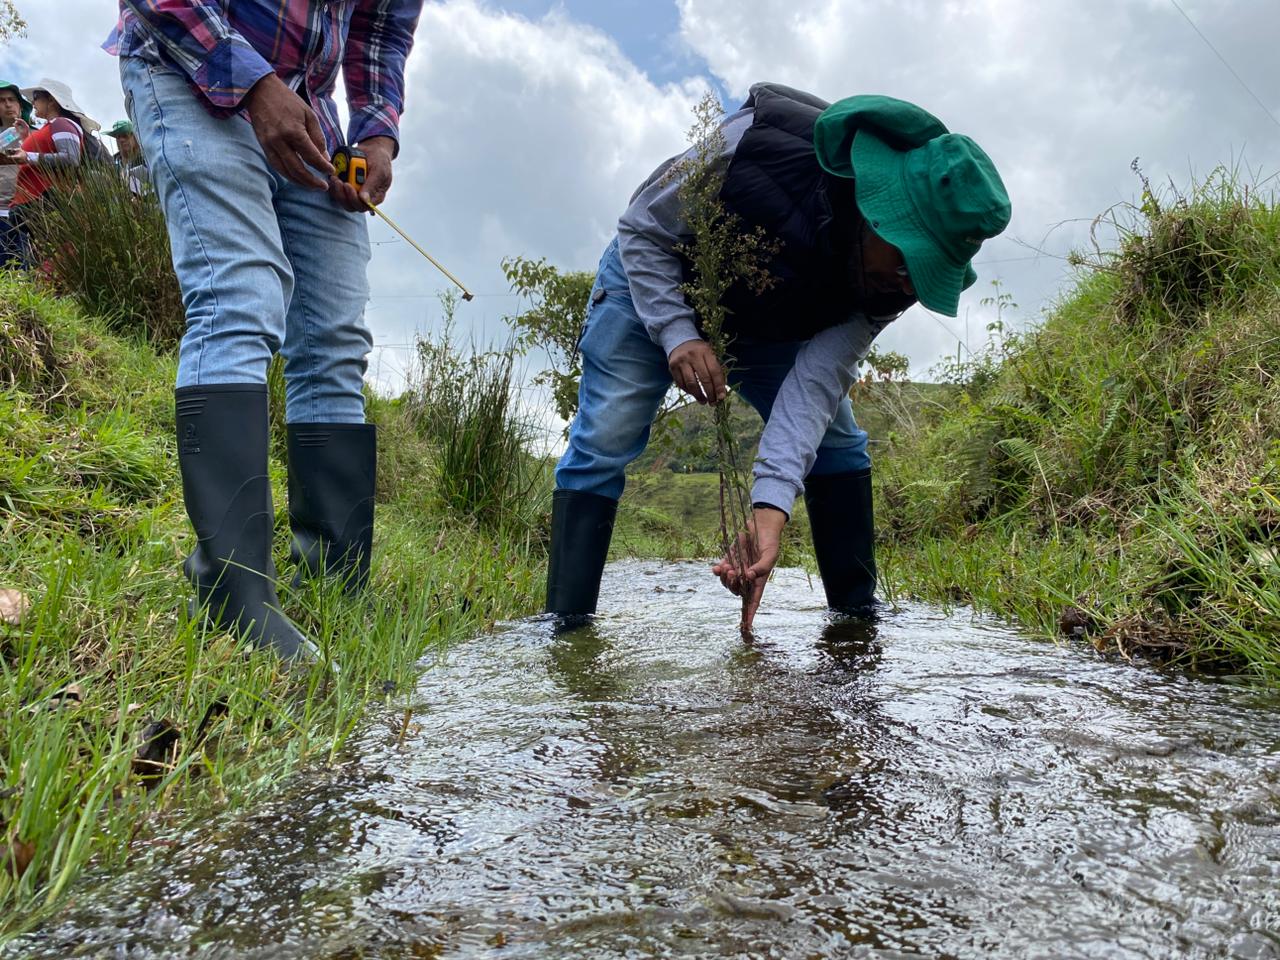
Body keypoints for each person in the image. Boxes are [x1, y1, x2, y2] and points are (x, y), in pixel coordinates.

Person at [546, 84, 1012, 628]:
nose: (909, 281)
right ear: (878, 213)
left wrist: (769, 513)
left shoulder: (892, 285)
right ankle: (567, 629)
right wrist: (678, 333)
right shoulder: (751, 145)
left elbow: (813, 386)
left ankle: (855, 624)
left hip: (774, 318)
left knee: (836, 441)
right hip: (649, 279)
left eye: (927, 270)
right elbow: (643, 229)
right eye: (911, 258)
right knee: (607, 435)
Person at [104, 0, 423, 662]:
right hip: (188, 68)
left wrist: (376, 136)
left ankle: (335, 590)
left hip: (309, 114)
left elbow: (379, 36)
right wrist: (249, 81)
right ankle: (233, 600)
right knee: (239, 296)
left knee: (335, 343)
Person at [0, 80, 96, 266]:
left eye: (36, 98)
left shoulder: (61, 123)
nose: (33, 103)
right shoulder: (48, 127)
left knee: (27, 265)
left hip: (41, 204)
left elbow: (71, 158)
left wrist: (27, 156)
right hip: (27, 206)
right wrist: (27, 140)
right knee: (20, 266)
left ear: (51, 100)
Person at [0, 80, 32, 266]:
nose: (7, 104)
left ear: (20, 105)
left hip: (27, 214)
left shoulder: (36, 135)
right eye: (2, 100)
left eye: (12, 99)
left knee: (26, 273)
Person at [103, 119, 149, 193]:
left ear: (135, 137)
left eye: (125, 135)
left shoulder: (147, 158)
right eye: (118, 137)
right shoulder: (112, 165)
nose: (121, 140)